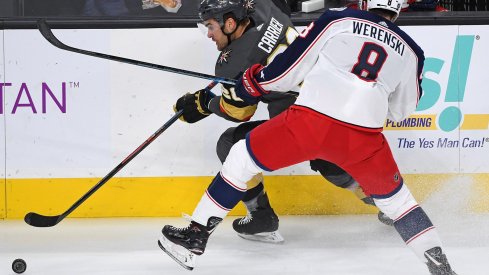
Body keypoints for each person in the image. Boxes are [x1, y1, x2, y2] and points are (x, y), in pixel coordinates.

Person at [158, 0, 458, 273]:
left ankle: (195, 236)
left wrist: (254, 83)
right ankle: (442, 267)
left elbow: (287, 69)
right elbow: (399, 112)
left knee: (239, 154)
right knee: (402, 206)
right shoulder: (412, 51)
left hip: (310, 123)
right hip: (364, 138)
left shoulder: (339, 19)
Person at [172, 0, 393, 245]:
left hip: (299, 124)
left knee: (230, 143)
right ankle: (393, 206)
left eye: (211, 26)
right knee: (333, 163)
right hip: (336, 103)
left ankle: (261, 217)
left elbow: (239, 112)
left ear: (230, 22)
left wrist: (205, 104)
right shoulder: (266, 6)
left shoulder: (233, 62)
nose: (209, 35)